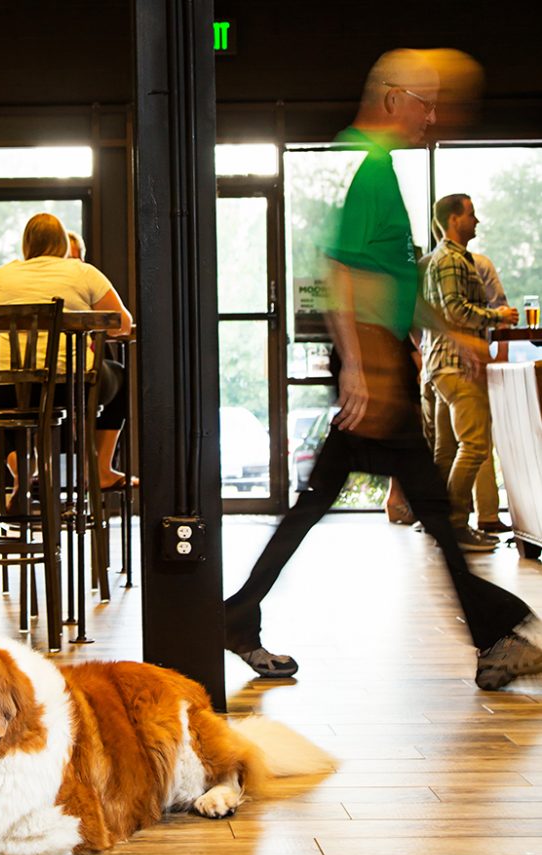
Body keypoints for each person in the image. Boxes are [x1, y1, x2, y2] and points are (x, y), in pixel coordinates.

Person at [223, 49, 542, 691]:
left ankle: (237, 615)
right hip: (374, 366)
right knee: (429, 508)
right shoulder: (371, 168)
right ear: (394, 99)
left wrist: (451, 332)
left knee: (335, 505)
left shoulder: (383, 169)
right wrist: (362, 374)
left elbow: (396, 282)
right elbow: (339, 273)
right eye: (427, 104)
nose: (434, 118)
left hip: (383, 359)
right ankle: (499, 632)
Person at [0, 212, 134, 495]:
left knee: (17, 404)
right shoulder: (82, 272)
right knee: (118, 374)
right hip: (66, 386)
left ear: (26, 244)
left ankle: (21, 467)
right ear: (63, 244)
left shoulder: (0, 276)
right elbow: (123, 323)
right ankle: (101, 469)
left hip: (3, 388)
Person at [422, 193, 518, 550]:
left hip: (442, 365)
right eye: (471, 214)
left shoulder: (449, 259)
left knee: (449, 449)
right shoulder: (450, 260)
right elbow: (456, 310)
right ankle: (456, 524)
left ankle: (446, 523)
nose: (476, 221)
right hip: (456, 365)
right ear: (453, 220)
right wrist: (500, 317)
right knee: (476, 445)